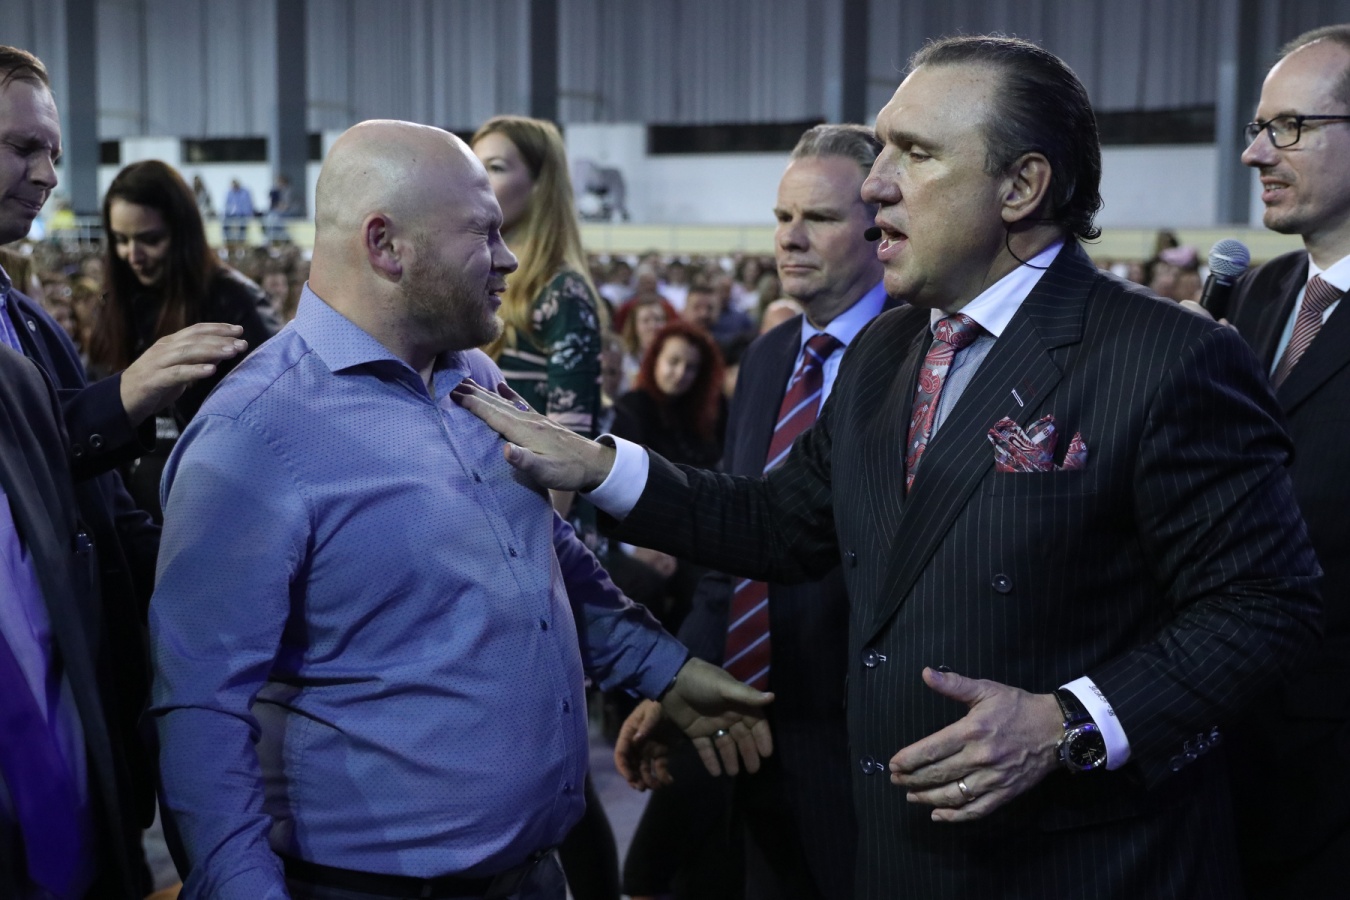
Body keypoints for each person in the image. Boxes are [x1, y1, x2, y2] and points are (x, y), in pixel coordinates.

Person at [453, 34, 1322, 900]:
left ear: (1021, 186)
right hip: (901, 850)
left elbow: (1264, 604)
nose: (875, 183)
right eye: (881, 151)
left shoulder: (1165, 354)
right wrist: (600, 466)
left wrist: (1069, 722)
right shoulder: (887, 349)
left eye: (915, 152)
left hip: (1081, 862)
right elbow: (782, 523)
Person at [150, 118, 772, 900]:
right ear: (386, 245)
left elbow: (544, 550)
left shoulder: (471, 375)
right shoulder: (253, 435)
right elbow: (202, 709)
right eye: (484, 233)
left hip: (530, 871)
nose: (510, 257)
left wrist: (662, 670)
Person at [0, 45, 248, 897]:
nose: (46, 175)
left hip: (77, 685)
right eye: (23, 148)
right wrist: (127, 397)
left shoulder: (27, 322)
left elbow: (98, 501)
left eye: (53, 153)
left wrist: (202, 578)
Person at [631, 123, 893, 900]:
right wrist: (677, 676)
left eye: (820, 218)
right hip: (731, 721)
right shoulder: (770, 358)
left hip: (851, 741)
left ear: (881, 226)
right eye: (783, 216)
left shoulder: (920, 356)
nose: (790, 237)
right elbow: (730, 555)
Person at [471, 114, 621, 900]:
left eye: (498, 165)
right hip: (487, 527)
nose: (482, 176)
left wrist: (539, 553)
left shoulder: (564, 293)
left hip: (539, 537)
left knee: (560, 759)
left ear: (540, 182)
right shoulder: (480, 272)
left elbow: (568, 447)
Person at [1221, 25, 1350, 898]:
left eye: (1290, 127)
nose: (1255, 152)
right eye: (1259, 127)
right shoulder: (1260, 294)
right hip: (1235, 755)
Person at [87, 159, 279, 520]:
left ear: (182, 233)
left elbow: (274, 417)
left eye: (150, 240)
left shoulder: (235, 301)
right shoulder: (114, 304)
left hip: (216, 507)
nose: (133, 256)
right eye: (121, 240)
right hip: (130, 513)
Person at [222, 178, 254, 245]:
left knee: (243, 222)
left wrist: (247, 214)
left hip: (243, 214)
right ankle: (228, 240)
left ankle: (241, 241)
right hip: (231, 214)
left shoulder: (245, 192)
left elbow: (249, 205)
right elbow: (226, 205)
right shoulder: (229, 193)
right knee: (225, 222)